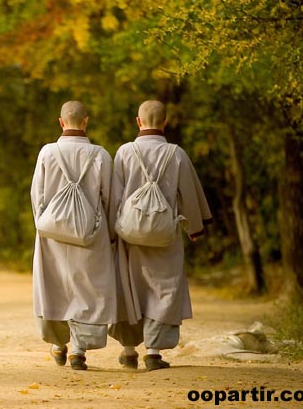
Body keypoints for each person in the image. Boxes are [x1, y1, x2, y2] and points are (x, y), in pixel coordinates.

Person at [110, 100, 212, 371]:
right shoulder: (176, 154)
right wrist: (194, 228)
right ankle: (153, 352)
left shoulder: (124, 153)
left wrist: (112, 232)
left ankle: (129, 350)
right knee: (163, 287)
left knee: (129, 287)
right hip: (165, 235)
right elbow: (189, 194)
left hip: (129, 236)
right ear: (165, 122)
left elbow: (114, 198)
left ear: (138, 121)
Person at [30, 101, 117, 371]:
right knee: (88, 289)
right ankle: (79, 350)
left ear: (60, 122)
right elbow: (110, 199)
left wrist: (43, 225)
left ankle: (58, 344)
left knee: (54, 287)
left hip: (52, 234)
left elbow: (37, 195)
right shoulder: (101, 155)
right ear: (86, 121)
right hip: (90, 234)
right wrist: (110, 234)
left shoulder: (47, 152)